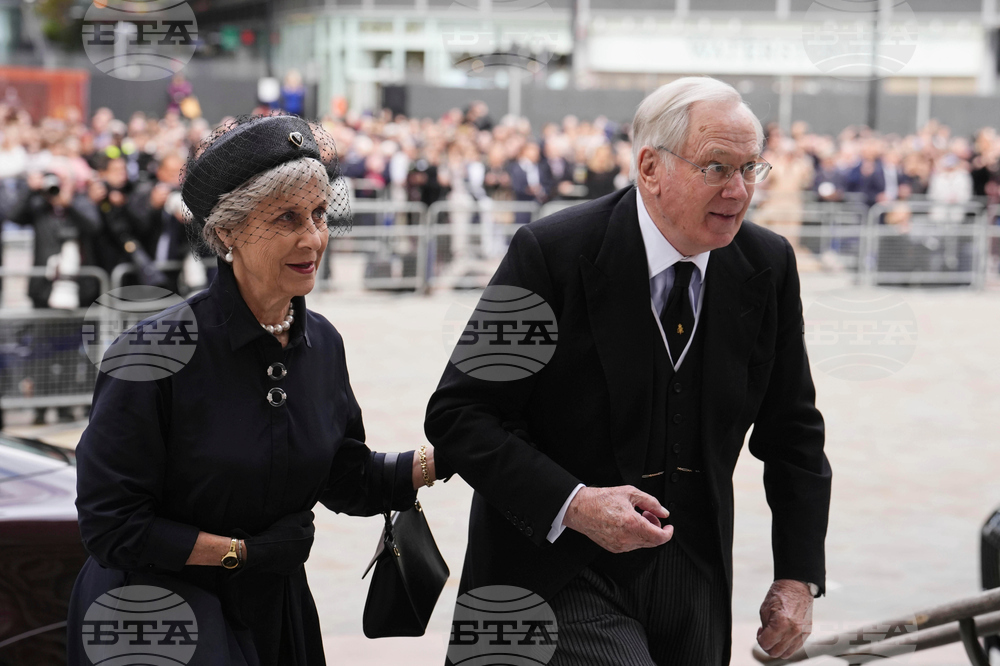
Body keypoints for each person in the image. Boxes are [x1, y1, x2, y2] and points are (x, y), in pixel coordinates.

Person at [426, 77, 830, 665]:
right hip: (555, 575)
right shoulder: (552, 253)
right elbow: (460, 414)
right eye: (716, 167)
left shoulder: (766, 265)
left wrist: (797, 577)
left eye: (751, 168)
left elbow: (793, 431)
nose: (739, 191)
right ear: (649, 167)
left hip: (693, 576)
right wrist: (575, 503)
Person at [67, 114, 442, 666]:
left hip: (274, 613)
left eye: (318, 213)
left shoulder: (323, 345)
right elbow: (112, 526)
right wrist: (240, 554)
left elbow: (344, 476)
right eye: (286, 217)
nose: (313, 237)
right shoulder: (153, 354)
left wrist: (452, 453)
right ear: (226, 233)